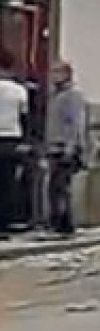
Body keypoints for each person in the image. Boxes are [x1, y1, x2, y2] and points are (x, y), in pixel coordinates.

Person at [45, 60, 86, 236]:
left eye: (57, 72)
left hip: (64, 148)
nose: (52, 76)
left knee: (61, 186)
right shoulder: (55, 95)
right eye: (52, 72)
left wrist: (71, 146)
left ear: (66, 74)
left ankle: (64, 224)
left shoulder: (72, 95)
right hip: (54, 147)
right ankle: (58, 222)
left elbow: (76, 122)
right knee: (55, 187)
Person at [0, 51, 28, 237]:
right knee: (8, 182)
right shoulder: (19, 91)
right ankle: (6, 221)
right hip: (12, 138)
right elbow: (25, 117)